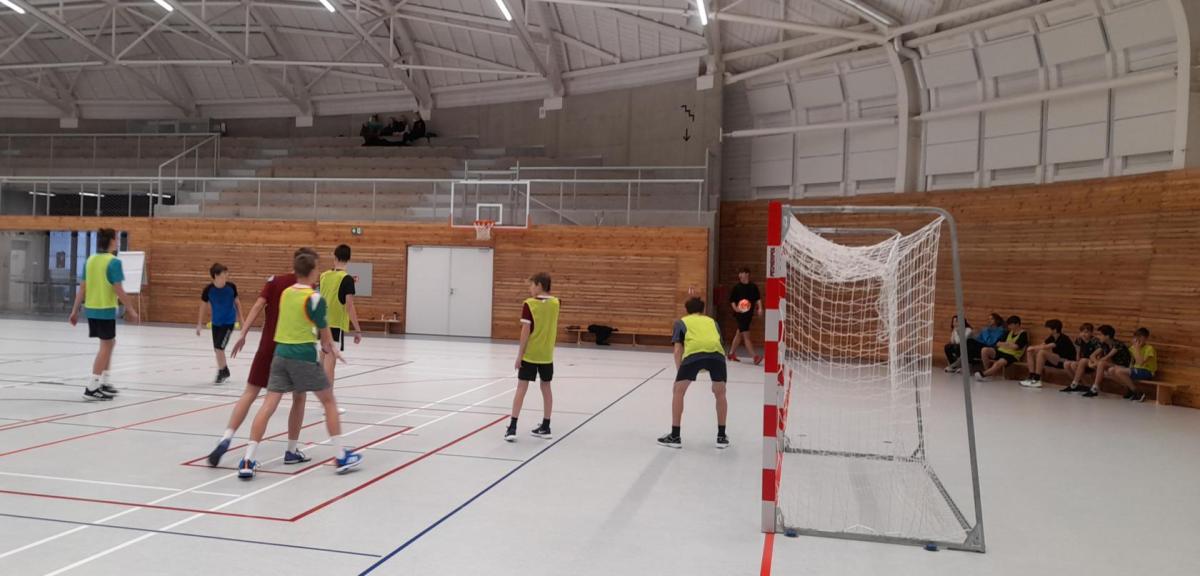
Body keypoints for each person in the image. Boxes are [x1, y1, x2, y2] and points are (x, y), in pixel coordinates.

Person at [237, 252, 360, 479]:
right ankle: (341, 456)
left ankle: (248, 460)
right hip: (302, 357)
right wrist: (333, 348)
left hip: (280, 355)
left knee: (268, 405)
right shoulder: (314, 299)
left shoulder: (286, 293)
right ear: (312, 272)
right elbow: (325, 336)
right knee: (329, 402)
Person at [209, 247, 319, 468]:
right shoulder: (307, 288)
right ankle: (291, 450)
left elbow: (259, 304)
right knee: (298, 398)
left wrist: (243, 333)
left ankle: (226, 437)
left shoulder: (274, 281)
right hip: (292, 349)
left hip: (266, 345)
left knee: (250, 392)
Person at [68, 228, 140, 400]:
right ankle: (92, 387)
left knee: (109, 343)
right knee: (106, 346)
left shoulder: (90, 260)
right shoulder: (113, 262)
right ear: (112, 241)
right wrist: (131, 309)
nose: (118, 242)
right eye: (117, 238)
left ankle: (104, 382)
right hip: (104, 309)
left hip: (91, 308)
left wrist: (74, 310)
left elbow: (82, 287)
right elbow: (118, 289)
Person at [658, 297, 729, 449]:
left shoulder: (681, 322)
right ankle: (722, 437)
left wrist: (680, 373)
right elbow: (717, 342)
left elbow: (678, 350)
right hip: (717, 355)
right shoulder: (712, 322)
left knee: (678, 391)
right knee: (720, 393)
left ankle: (675, 436)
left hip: (693, 355)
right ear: (703, 310)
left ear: (687, 310)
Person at [506, 272, 560, 442]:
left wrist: (519, 355)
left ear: (539, 285)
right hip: (547, 355)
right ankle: (546, 426)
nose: (530, 288)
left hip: (530, 354)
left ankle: (512, 427)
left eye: (531, 285)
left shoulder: (529, 304)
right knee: (546, 388)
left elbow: (525, 331)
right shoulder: (556, 303)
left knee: (521, 388)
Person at [318, 244, 363, 385]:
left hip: (321, 323)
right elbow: (349, 306)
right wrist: (357, 330)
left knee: (322, 361)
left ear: (335, 257)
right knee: (329, 366)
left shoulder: (323, 276)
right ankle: (328, 397)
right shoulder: (347, 279)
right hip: (335, 325)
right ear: (349, 259)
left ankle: (320, 393)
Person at [196, 263, 243, 384]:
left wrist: (241, 320)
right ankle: (223, 370)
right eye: (224, 273)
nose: (227, 275)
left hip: (229, 322)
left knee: (219, 347)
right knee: (217, 349)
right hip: (216, 323)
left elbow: (237, 303)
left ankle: (223, 371)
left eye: (227, 273)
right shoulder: (208, 290)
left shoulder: (231, 287)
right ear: (216, 275)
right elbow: (202, 306)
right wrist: (199, 323)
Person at [1101, 328, 1157, 402]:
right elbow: (1132, 362)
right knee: (1111, 371)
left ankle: (1137, 393)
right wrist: (1127, 368)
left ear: (1146, 338)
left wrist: (1137, 349)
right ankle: (1131, 389)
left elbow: (1140, 362)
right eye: (1137, 337)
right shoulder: (1132, 348)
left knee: (1119, 372)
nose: (1138, 339)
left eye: (1141, 337)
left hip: (1147, 371)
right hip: (1135, 369)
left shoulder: (1149, 348)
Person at [1020, 319, 1077, 388]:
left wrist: (1034, 347)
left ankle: (1037, 379)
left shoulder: (1063, 338)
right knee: (1031, 351)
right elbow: (1042, 344)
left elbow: (1047, 346)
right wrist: (1032, 349)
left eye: (1048, 329)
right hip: (1056, 360)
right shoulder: (1052, 337)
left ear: (1054, 330)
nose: (1047, 330)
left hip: (1065, 361)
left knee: (1042, 352)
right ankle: (1031, 376)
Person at [1082, 324, 1131, 398]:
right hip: (1112, 365)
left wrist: (1093, 364)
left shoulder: (1117, 344)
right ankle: (1080, 385)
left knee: (1101, 364)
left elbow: (1106, 358)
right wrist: (1095, 362)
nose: (1098, 336)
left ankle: (1094, 388)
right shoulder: (1104, 344)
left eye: (1100, 335)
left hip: (1122, 367)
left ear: (1107, 336)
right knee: (1086, 361)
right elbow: (1092, 355)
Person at [727, 267, 763, 365]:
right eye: (739, 273)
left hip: (749, 314)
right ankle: (755, 357)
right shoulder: (737, 287)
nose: (740, 275)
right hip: (740, 315)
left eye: (741, 273)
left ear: (747, 274)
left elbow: (758, 299)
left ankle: (731, 354)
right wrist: (735, 309)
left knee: (739, 334)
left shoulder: (753, 287)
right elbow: (732, 300)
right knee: (746, 336)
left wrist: (760, 308)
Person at [975, 316, 1027, 381]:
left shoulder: (1023, 334)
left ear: (1017, 324)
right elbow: (998, 343)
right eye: (1009, 325)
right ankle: (988, 371)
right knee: (984, 350)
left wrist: (1005, 344)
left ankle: (983, 374)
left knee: (999, 363)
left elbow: (1016, 347)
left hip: (1012, 355)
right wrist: (1008, 344)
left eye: (1011, 325)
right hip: (1001, 351)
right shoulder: (1008, 332)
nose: (1009, 327)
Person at [1061, 323, 1102, 393]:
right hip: (1082, 362)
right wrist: (1077, 360)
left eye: (1086, 332)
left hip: (1092, 362)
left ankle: (1076, 384)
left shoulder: (1095, 341)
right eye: (1082, 332)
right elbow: (1078, 351)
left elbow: (1099, 355)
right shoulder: (1079, 339)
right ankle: (1080, 384)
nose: (1084, 334)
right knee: (1067, 364)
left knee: (1082, 361)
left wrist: (1094, 363)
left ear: (1091, 333)